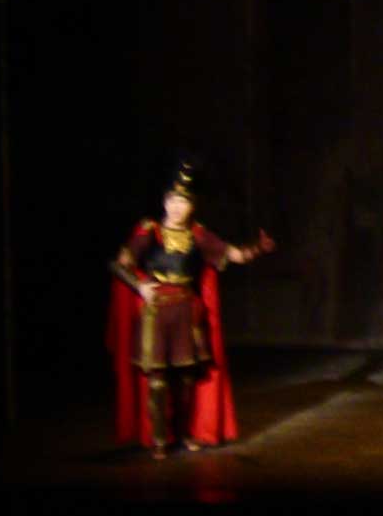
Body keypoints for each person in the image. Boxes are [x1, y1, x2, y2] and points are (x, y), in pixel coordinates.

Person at [107, 163, 271, 456]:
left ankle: (183, 434)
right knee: (157, 381)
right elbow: (119, 264)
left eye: (183, 201)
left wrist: (257, 248)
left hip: (185, 314)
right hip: (156, 314)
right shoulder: (150, 232)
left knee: (185, 379)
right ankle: (160, 441)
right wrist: (139, 286)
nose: (176, 207)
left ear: (192, 206)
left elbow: (234, 254)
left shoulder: (198, 235)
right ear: (164, 202)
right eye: (172, 200)